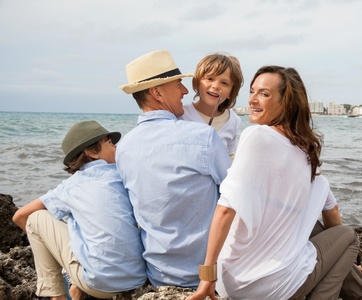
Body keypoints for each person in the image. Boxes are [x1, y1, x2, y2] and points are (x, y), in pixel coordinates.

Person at [187, 66, 362, 300]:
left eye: (264, 94)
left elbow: (226, 207)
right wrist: (342, 260)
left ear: (286, 102)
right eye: (252, 91)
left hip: (234, 282)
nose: (252, 100)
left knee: (310, 227)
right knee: (347, 235)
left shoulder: (256, 136)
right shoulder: (303, 152)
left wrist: (208, 275)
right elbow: (332, 210)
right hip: (272, 288)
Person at [117, 50, 231, 288]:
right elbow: (235, 200)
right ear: (156, 92)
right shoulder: (203, 137)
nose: (186, 91)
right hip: (209, 275)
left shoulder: (123, 148)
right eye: (178, 84)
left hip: (158, 275)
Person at [12, 120, 147, 300]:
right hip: (137, 278)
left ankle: (58, 295)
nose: (116, 147)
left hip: (99, 284)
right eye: (110, 143)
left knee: (36, 218)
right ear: (91, 152)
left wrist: (54, 250)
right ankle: (76, 286)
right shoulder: (125, 176)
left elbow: (20, 216)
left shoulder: (71, 186)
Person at [179, 53, 244, 159]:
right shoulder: (181, 114)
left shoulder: (234, 120)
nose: (216, 86)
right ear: (196, 83)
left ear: (231, 93)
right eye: (210, 79)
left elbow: (229, 155)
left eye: (224, 83)